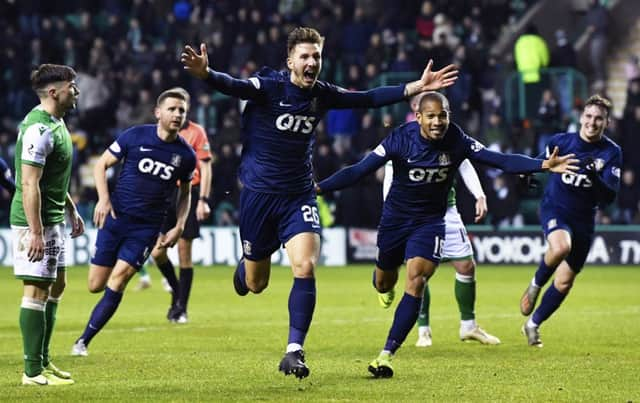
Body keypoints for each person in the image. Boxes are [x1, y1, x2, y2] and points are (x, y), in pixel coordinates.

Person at [180, 26, 458, 379]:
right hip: (259, 197)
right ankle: (248, 262)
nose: (312, 62)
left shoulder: (322, 94)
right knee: (255, 283)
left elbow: (368, 98)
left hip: (299, 194)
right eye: (306, 56)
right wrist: (206, 73)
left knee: (306, 266)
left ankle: (294, 350)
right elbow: (233, 85)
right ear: (290, 61)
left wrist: (415, 89)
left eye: (317, 56)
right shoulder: (269, 87)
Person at [316, 91, 579, 378]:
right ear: (418, 117)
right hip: (396, 219)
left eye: (443, 115)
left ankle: (386, 354)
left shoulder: (458, 139)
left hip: (430, 221)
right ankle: (384, 287)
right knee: (383, 282)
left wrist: (541, 164)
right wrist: (319, 187)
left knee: (417, 279)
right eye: (431, 116)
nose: (438, 121)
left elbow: (498, 159)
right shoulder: (399, 139)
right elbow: (359, 170)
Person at [70, 87, 196, 356]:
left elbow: (185, 193)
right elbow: (100, 165)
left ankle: (82, 341)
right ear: (158, 112)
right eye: (172, 109)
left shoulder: (186, 156)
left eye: (182, 111)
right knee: (95, 285)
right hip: (116, 219)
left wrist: (180, 225)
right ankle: (90, 329)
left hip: (146, 228)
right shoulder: (135, 135)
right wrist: (103, 200)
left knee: (120, 278)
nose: (177, 114)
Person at [379, 95, 500, 347]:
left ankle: (468, 326)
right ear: (417, 111)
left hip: (447, 208)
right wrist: (391, 211)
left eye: (441, 113)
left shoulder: (450, 136)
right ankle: (423, 329)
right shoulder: (404, 137)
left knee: (466, 266)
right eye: (427, 112)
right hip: (411, 213)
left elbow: (465, 163)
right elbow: (390, 173)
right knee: (417, 271)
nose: (436, 118)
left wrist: (478, 194)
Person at [519, 95, 622, 347]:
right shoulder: (561, 142)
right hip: (556, 208)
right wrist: (529, 172)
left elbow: (609, 196)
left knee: (565, 282)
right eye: (588, 116)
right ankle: (535, 285)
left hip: (584, 220)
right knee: (560, 247)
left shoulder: (611, 152)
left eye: (599, 118)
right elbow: (540, 161)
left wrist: (594, 176)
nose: (592, 122)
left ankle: (532, 325)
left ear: (606, 122)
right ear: (581, 118)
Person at [11, 64, 85, 386]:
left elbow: (53, 178)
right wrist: (36, 232)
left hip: (53, 216)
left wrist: (71, 208)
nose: (77, 92)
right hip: (35, 221)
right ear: (54, 92)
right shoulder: (38, 130)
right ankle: (31, 372)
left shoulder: (57, 123)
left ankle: (43, 360)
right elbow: (29, 184)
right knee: (36, 290)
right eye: (73, 86)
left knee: (57, 286)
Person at [149, 118, 213, 323]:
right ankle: (177, 292)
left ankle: (181, 308)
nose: (178, 113)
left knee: (184, 251)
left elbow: (205, 167)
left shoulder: (197, 132)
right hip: (165, 192)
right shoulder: (159, 133)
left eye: (181, 108)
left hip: (189, 193)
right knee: (157, 252)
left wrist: (203, 199)